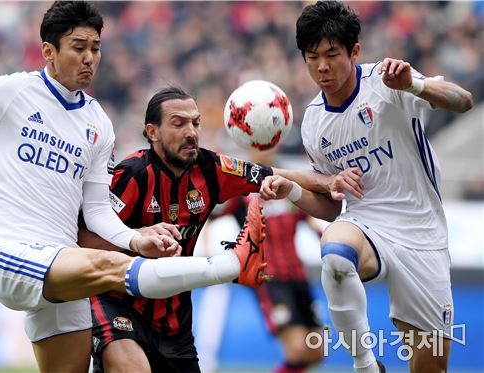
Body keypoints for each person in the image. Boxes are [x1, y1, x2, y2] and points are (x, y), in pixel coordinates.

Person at [0, 2, 271, 372]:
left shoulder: (98, 122)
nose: (89, 58)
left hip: (64, 268)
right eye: (78, 47)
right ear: (49, 51)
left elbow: (96, 210)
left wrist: (135, 238)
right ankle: (230, 264)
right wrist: (130, 251)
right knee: (114, 267)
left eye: (95, 48)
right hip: (11, 253)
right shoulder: (11, 91)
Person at [260, 1, 474, 373]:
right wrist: (293, 191)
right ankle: (365, 365)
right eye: (312, 58)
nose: (322, 67)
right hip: (367, 224)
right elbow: (331, 208)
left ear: (354, 51)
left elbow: (463, 101)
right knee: (336, 252)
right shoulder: (314, 122)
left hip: (423, 236)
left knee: (431, 368)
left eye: (331, 55)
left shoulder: (389, 82)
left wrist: (416, 85)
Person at [79, 86, 347, 373]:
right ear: (152, 132)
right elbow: (84, 239)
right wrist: (138, 237)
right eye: (178, 123)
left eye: (195, 123)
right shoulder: (132, 173)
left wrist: (328, 182)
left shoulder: (213, 168)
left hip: (174, 319)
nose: (191, 132)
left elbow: (276, 174)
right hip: (119, 302)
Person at [221, 148, 325, 373]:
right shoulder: (241, 190)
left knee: (318, 350)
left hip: (297, 274)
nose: (263, 150)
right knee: (297, 349)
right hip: (268, 277)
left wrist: (330, 243)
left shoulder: (287, 186)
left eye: (268, 144)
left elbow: (310, 219)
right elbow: (210, 214)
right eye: (257, 145)